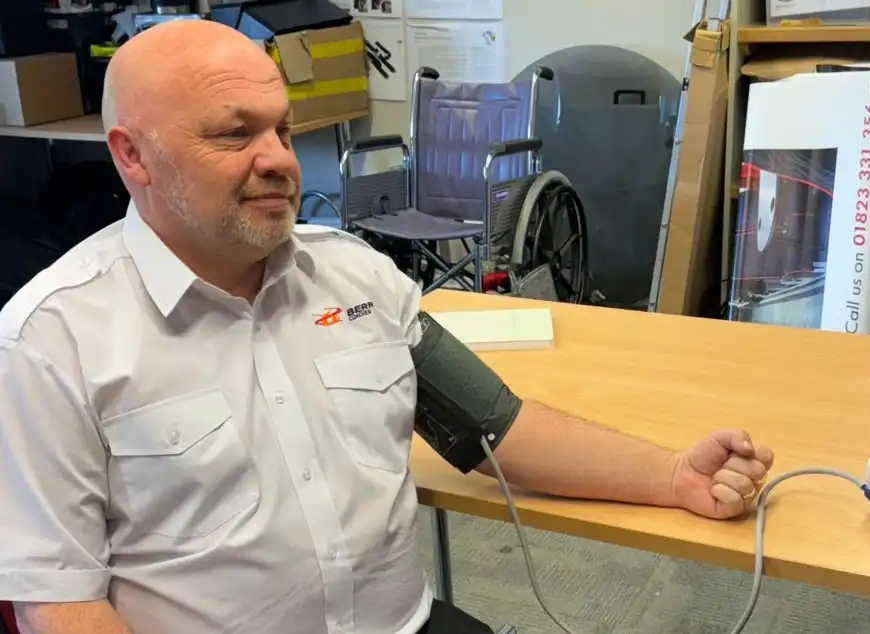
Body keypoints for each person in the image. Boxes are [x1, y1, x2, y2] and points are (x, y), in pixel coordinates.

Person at [0, 20, 774, 634]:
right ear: (132, 156)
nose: (279, 160)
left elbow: (494, 430)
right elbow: (57, 604)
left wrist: (674, 475)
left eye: (282, 129)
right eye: (235, 135)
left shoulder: (356, 276)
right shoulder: (50, 342)